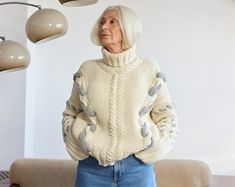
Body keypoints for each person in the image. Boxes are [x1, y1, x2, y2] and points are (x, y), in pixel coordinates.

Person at [62, 5, 178, 187]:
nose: (104, 27)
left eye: (112, 22)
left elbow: (167, 116)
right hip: (91, 169)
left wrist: (153, 150)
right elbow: (71, 113)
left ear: (128, 28)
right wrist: (78, 144)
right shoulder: (87, 69)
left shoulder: (149, 69)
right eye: (102, 22)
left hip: (138, 168)